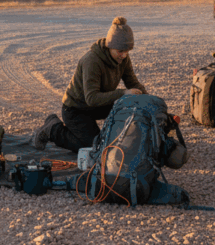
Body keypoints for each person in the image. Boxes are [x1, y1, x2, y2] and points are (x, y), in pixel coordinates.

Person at [31, 16, 147, 153]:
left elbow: (133, 83)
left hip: (97, 106)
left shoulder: (123, 59)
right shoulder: (92, 61)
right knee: (96, 147)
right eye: (120, 51)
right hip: (76, 109)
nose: (123, 55)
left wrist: (148, 102)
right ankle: (53, 129)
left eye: (127, 51)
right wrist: (123, 93)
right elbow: (91, 98)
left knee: (129, 107)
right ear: (110, 46)